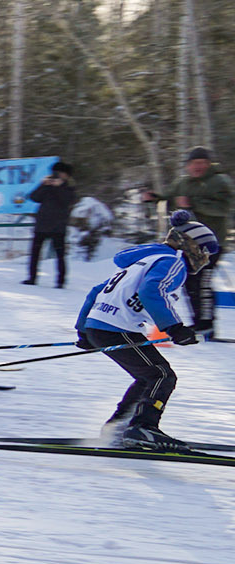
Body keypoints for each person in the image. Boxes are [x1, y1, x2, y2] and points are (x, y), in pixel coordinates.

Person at [74, 217, 217, 448]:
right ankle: (143, 428)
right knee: (162, 375)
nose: (206, 258)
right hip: (118, 328)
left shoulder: (144, 260)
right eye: (205, 251)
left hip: (103, 325)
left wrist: (84, 331)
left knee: (148, 376)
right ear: (191, 245)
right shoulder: (174, 262)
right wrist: (174, 327)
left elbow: (96, 291)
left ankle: (119, 428)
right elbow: (151, 290)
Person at [142, 147, 232, 339]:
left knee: (203, 282)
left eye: (201, 163)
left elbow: (223, 209)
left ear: (208, 165)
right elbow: (167, 196)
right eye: (193, 164)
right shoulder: (183, 182)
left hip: (211, 242)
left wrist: (193, 205)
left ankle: (205, 323)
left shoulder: (219, 181)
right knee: (189, 282)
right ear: (188, 166)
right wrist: (154, 198)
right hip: (190, 244)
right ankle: (201, 322)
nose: (197, 167)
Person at [23, 161, 76, 287]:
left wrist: (59, 187)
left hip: (58, 226)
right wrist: (42, 185)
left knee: (60, 255)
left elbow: (67, 201)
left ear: (66, 175)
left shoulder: (69, 188)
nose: (58, 175)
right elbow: (34, 197)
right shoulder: (47, 186)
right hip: (42, 225)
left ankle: (61, 281)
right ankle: (32, 277)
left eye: (61, 173)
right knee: (35, 253)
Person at [72, 196, 114, 261]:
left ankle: (90, 258)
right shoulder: (95, 208)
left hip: (97, 229)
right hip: (92, 229)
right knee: (86, 242)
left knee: (92, 243)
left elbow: (107, 218)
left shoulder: (98, 208)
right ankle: (85, 257)